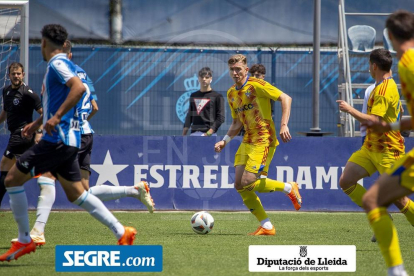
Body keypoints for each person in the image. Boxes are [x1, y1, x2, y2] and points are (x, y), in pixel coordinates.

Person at [0, 24, 138, 262]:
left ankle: (24, 240)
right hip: (70, 139)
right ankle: (121, 231)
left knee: (12, 180)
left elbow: (78, 88)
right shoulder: (67, 65)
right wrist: (38, 123)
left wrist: (55, 118)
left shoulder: (57, 63)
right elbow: (61, 99)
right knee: (77, 194)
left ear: (44, 43)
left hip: (58, 140)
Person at [214, 54, 301, 236]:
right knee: (239, 184)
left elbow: (286, 98)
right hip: (247, 140)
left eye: (238, 69)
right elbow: (237, 123)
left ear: (246, 70)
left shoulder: (256, 85)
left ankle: (288, 187)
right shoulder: (231, 93)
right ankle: (267, 226)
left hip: (264, 139)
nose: (235, 73)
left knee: (248, 182)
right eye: (232, 70)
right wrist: (225, 140)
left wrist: (284, 124)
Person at [337, 49, 414, 241]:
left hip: (388, 150)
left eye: (369, 66)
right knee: (346, 181)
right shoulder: (386, 85)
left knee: (399, 199)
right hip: (370, 148)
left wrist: (349, 109)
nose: (369, 69)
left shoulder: (382, 90)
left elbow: (375, 119)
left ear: (374, 66)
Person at [362, 10, 414, 276]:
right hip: (381, 145)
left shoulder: (407, 65)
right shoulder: (404, 66)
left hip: (390, 148)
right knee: (375, 198)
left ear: (391, 36)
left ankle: (397, 271)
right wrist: (391, 125)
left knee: (384, 200)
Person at [0, 63, 42, 206]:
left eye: (18, 73)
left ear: (23, 75)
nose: (16, 76)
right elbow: (5, 114)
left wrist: (39, 132)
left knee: (5, 165)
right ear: (9, 75)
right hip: (14, 135)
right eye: (13, 74)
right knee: (12, 176)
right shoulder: (6, 91)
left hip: (22, 135)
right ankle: (40, 170)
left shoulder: (28, 93)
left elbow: (44, 114)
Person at [183, 67, 225, 136]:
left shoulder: (217, 96)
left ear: (211, 79)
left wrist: (209, 133)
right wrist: (183, 135)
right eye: (202, 77)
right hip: (194, 134)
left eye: (207, 77)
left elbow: (220, 118)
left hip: (210, 135)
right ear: (198, 78)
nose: (204, 79)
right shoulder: (193, 95)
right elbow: (189, 115)